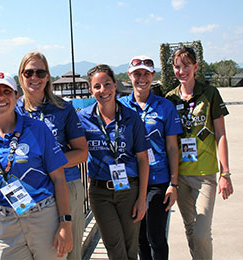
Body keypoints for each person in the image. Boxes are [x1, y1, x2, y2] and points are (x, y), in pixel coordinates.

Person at [0, 72, 73, 260]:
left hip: (44, 216)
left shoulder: (38, 129)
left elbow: (59, 179)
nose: (0, 96)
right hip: (6, 221)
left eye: (6, 91)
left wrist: (65, 224)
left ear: (16, 96)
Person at [15, 51, 88, 260]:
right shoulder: (14, 110)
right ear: (21, 76)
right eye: (28, 73)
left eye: (40, 72)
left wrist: (52, 163)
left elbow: (82, 153)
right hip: (32, 192)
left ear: (47, 77)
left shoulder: (63, 108)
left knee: (70, 252)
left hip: (68, 184)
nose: (34, 77)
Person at [165, 47, 234, 259]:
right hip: (181, 175)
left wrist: (225, 173)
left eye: (186, 66)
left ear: (195, 67)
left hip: (205, 175)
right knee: (191, 229)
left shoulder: (210, 93)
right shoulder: (170, 98)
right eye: (177, 66)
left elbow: (220, 134)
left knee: (202, 232)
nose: (181, 70)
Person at [78, 64, 150, 260]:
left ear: (115, 85)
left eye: (107, 84)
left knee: (130, 247)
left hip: (129, 190)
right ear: (91, 90)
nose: (103, 90)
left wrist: (142, 199)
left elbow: (143, 160)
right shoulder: (82, 119)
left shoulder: (131, 117)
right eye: (97, 86)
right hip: (100, 193)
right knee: (114, 247)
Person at [120, 55, 183, 260]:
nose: (142, 78)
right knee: (139, 237)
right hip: (132, 179)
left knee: (155, 236)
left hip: (158, 179)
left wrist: (174, 184)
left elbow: (173, 147)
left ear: (153, 76)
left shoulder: (165, 106)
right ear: (129, 75)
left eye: (146, 74)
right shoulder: (121, 106)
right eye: (137, 74)